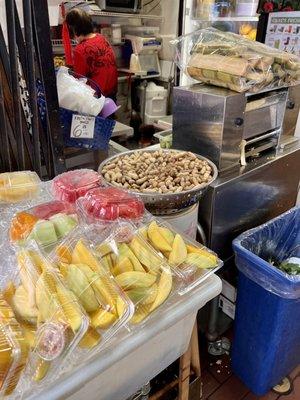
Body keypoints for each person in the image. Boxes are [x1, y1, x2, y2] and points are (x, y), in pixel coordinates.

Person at [66, 8, 118, 99]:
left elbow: (79, 80)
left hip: (96, 99)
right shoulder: (101, 38)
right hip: (111, 94)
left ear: (73, 29)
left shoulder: (79, 50)